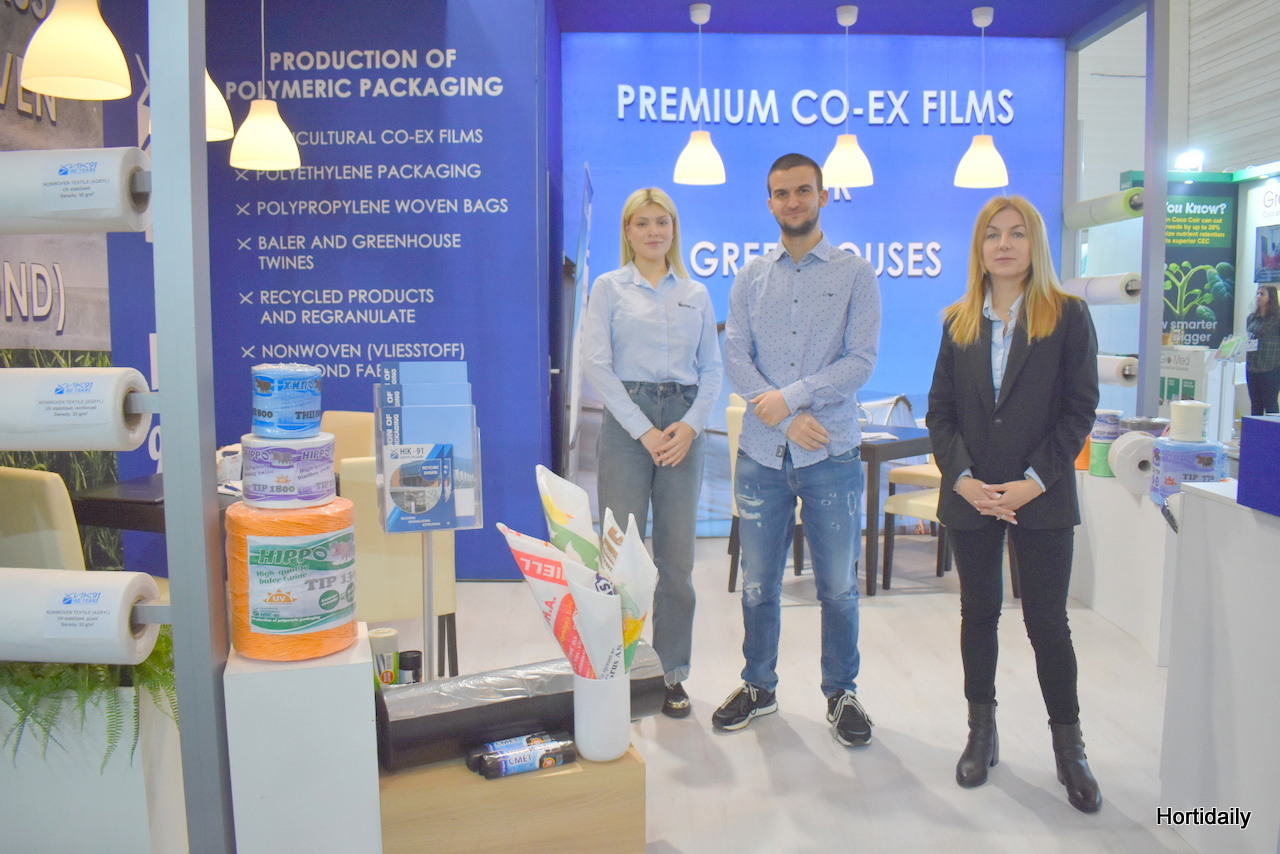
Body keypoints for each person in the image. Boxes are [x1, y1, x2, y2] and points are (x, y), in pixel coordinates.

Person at [926, 195, 1102, 813]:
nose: (1004, 244)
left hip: (1041, 494)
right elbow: (940, 412)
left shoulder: (1068, 315)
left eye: (1017, 233)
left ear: (1035, 245)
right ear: (979, 248)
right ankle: (982, 732)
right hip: (972, 495)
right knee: (979, 614)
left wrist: (1034, 480)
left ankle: (1069, 748)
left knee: (1047, 622)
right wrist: (963, 479)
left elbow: (1080, 410)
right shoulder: (958, 321)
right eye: (992, 235)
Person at [714, 153, 881, 747]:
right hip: (763, 454)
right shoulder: (750, 277)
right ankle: (758, 687)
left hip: (831, 454)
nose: (793, 202)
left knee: (838, 586)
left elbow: (860, 361)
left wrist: (792, 397)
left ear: (822, 196)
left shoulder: (856, 274)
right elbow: (736, 357)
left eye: (803, 191)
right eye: (781, 193)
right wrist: (785, 418)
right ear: (769, 203)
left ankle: (841, 693)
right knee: (758, 585)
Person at [581, 187, 723, 718]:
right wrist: (644, 430)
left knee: (677, 562)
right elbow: (597, 365)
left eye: (662, 222)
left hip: (684, 425)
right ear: (627, 231)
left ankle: (670, 673)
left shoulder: (696, 293)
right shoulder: (609, 288)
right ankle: (616, 670)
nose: (653, 232)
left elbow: (712, 369)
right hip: (628, 425)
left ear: (673, 229)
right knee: (619, 558)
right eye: (642, 223)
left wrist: (689, 426)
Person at [1245, 284, 1280, 415]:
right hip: (1252, 366)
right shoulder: (1251, 318)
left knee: (1270, 403)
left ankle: (1273, 428)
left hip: (1271, 367)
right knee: (1255, 403)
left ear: (1271, 298)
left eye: (1262, 294)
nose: (1258, 297)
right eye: (1258, 294)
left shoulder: (1277, 318)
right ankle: (1255, 428)